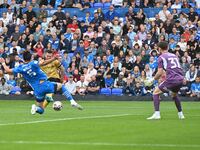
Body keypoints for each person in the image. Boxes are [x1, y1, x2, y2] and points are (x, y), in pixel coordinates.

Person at [0, 51, 83, 115]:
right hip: (45, 84)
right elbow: (43, 63)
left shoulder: (20, 67)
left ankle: (36, 108)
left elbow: (7, 71)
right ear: (31, 57)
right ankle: (72, 101)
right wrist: (54, 58)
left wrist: (3, 63)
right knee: (61, 86)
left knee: (41, 109)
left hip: (37, 90)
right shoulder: (33, 63)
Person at [147, 41, 185, 120]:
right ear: (167, 47)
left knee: (155, 93)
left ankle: (157, 114)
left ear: (159, 49)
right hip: (180, 78)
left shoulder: (161, 57)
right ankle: (181, 114)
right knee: (174, 95)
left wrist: (152, 79)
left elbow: (160, 72)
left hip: (172, 79)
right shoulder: (174, 55)